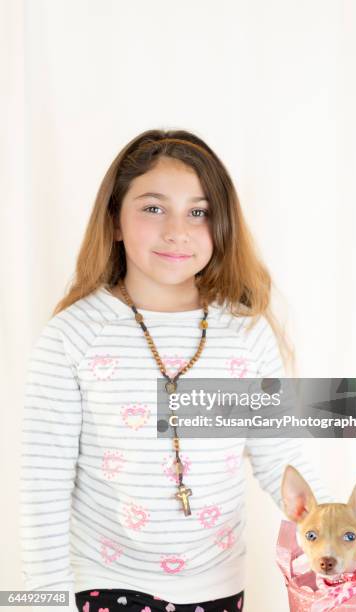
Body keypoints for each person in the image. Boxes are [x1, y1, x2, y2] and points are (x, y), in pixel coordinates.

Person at [19, 129, 331, 612]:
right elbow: (44, 482)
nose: (177, 231)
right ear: (115, 222)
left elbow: (281, 454)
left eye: (198, 212)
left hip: (221, 587)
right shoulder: (73, 336)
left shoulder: (243, 333)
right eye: (153, 207)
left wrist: (344, 533)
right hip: (104, 585)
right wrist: (43, 600)